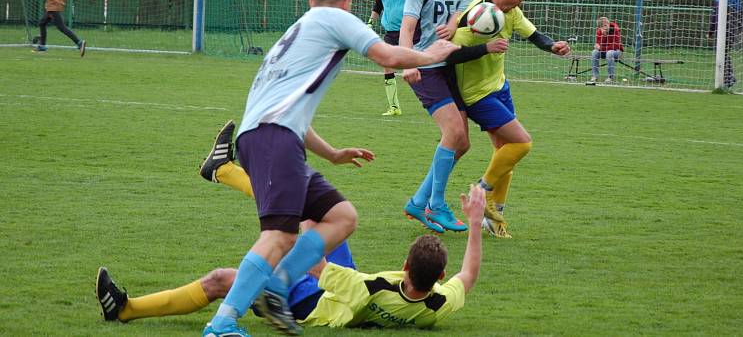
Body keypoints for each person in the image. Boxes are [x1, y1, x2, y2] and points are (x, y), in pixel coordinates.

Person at [202, 0, 459, 337]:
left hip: (272, 135)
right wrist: (429, 53)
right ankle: (222, 322)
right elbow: (386, 55)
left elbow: (291, 113)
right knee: (279, 236)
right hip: (272, 138)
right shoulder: (336, 17)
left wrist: (332, 153)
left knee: (341, 217)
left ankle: (277, 285)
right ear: (347, 3)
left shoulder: (298, 30)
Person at [97, 123, 486, 332]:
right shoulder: (438, 307)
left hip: (308, 305)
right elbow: (467, 275)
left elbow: (309, 262)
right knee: (308, 215)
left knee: (226, 276)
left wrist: (472, 218)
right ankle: (223, 171)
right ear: (438, 278)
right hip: (339, 284)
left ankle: (127, 310)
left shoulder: (370, 288)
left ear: (404, 265)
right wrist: (473, 224)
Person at [452, 0, 571, 238]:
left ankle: (494, 220)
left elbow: (535, 36)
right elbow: (450, 56)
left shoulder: (510, 13)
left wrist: (553, 47)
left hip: (499, 87)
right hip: (476, 94)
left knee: (506, 154)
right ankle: (481, 192)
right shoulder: (473, 16)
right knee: (522, 143)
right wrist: (485, 48)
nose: (521, 4)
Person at [400, 0, 482, 234]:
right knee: (452, 130)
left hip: (448, 66)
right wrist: (406, 62)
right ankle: (436, 204)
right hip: (423, 65)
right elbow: (407, 29)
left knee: (462, 143)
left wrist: (454, 27)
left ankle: (418, 202)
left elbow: (456, 22)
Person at [369, 0, 412, 116]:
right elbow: (378, 7)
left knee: (421, 67)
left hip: (410, 32)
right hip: (390, 33)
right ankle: (394, 107)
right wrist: (370, 23)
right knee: (387, 65)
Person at [708, 0, 743, 89]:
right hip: (732, 29)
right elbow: (742, 14)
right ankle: (729, 77)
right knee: (724, 53)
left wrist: (710, 32)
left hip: (723, 29)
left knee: (722, 53)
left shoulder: (719, 0)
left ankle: (729, 78)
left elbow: (714, 17)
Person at [590, 17, 623, 83]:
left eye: (606, 25)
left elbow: (615, 46)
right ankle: (595, 76)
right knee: (594, 52)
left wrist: (601, 48)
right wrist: (603, 36)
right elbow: (598, 44)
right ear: (599, 27)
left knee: (609, 53)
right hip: (604, 52)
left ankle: (610, 77)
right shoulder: (599, 32)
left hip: (617, 52)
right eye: (602, 26)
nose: (605, 27)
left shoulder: (615, 30)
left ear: (609, 23)